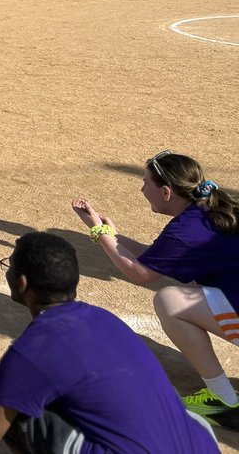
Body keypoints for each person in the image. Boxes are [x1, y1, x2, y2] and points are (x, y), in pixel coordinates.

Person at [0, 231, 218, 453]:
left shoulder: (31, 351)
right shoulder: (106, 320)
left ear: (22, 283)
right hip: (198, 446)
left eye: (9, 267)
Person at [71, 149, 239, 420]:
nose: (142, 189)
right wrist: (114, 236)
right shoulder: (211, 210)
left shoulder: (186, 230)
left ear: (166, 192)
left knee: (169, 301)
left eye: (146, 182)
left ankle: (223, 400)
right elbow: (157, 255)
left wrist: (98, 231)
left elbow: (140, 273)